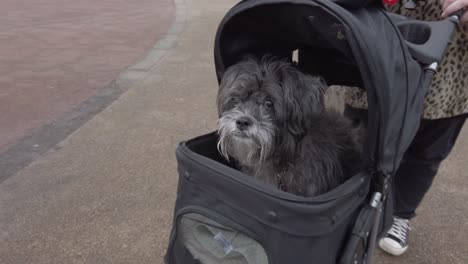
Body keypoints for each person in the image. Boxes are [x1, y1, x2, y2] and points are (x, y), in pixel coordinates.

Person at [343, 0, 468, 256]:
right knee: (353, 141)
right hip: (379, 30)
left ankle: (399, 213)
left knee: (428, 150)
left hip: (453, 52)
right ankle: (346, 206)